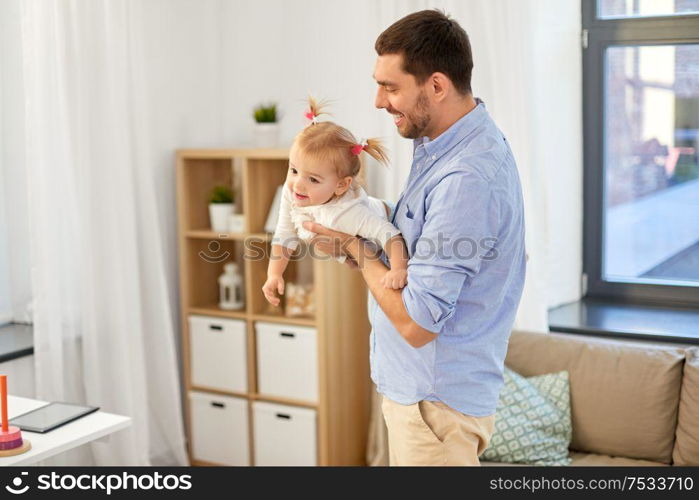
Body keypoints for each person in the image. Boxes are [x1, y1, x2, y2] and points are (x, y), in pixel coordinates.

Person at [303, 9, 526, 466]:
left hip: (434, 407)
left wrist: (355, 249)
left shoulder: (466, 175)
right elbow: (426, 229)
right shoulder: (445, 144)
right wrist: (360, 218)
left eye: (390, 86)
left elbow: (417, 324)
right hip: (427, 401)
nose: (378, 102)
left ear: (437, 85)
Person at [263, 97, 410, 308]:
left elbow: (391, 235)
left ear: (341, 185)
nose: (297, 185)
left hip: (392, 232)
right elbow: (284, 233)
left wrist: (398, 269)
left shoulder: (348, 213)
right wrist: (274, 274)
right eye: (294, 170)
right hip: (360, 246)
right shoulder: (292, 192)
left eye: (313, 179)